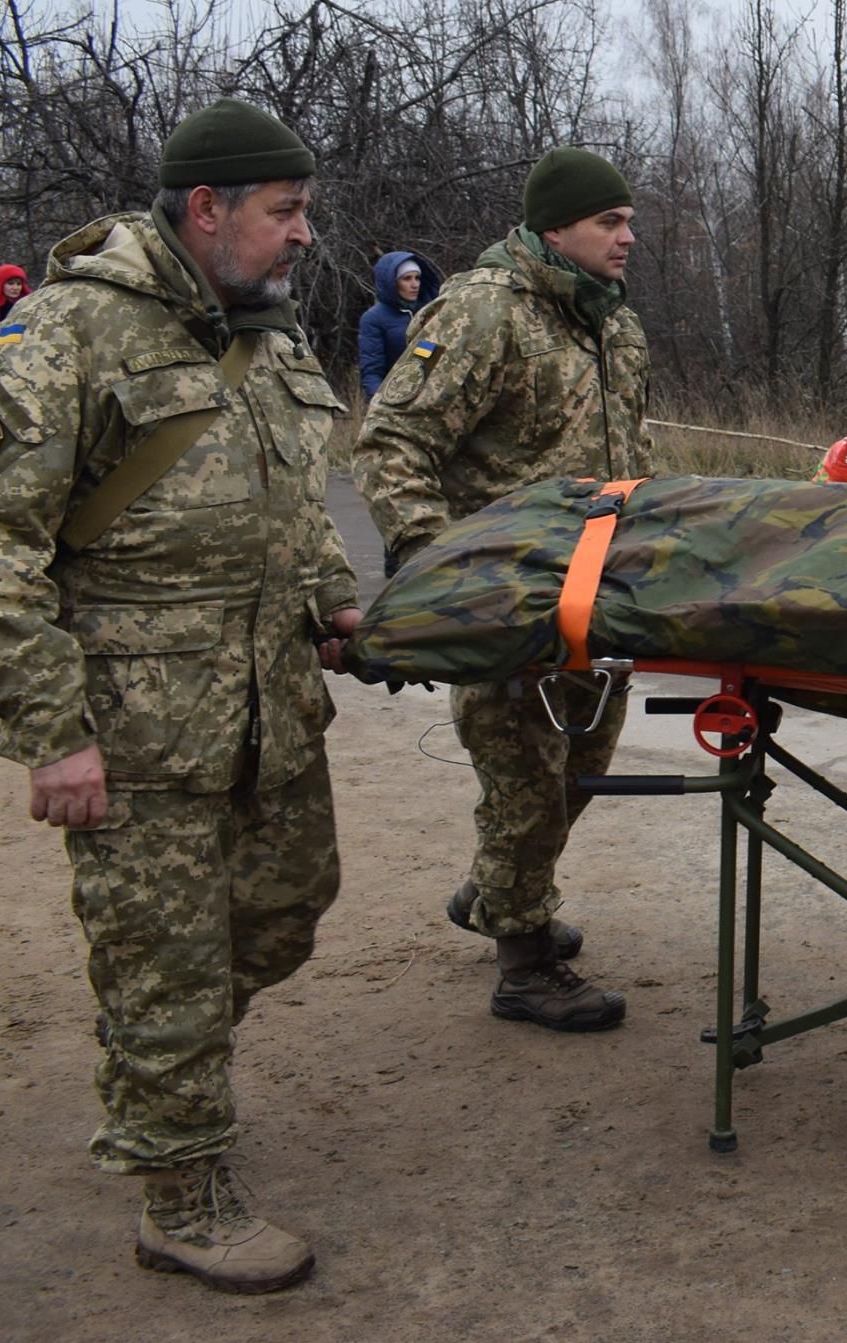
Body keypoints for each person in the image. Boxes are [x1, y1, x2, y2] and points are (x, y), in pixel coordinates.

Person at [0, 97, 361, 1293]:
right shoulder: (59, 336)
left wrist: (337, 601)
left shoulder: (268, 339)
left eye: (307, 210)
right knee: (163, 960)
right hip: (136, 736)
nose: (305, 234)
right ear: (207, 209)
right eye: (285, 211)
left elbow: (296, 508)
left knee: (287, 904)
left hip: (269, 712)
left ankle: (159, 1077)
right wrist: (51, 733)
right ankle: (182, 1190)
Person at [353, 146, 652, 1033]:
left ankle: (497, 892)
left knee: (579, 771)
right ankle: (522, 963)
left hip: (600, 600)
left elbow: (630, 457)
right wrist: (437, 562)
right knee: (523, 777)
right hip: (511, 601)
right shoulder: (486, 312)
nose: (628, 236)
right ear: (555, 228)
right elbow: (393, 440)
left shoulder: (615, 325)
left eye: (629, 220)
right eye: (610, 221)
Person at [356, 250, 440, 398]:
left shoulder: (430, 312)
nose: (414, 284)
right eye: (407, 278)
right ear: (392, 282)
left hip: (432, 397)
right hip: (395, 398)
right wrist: (378, 405)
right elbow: (372, 369)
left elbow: (431, 355)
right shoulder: (373, 318)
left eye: (417, 278)